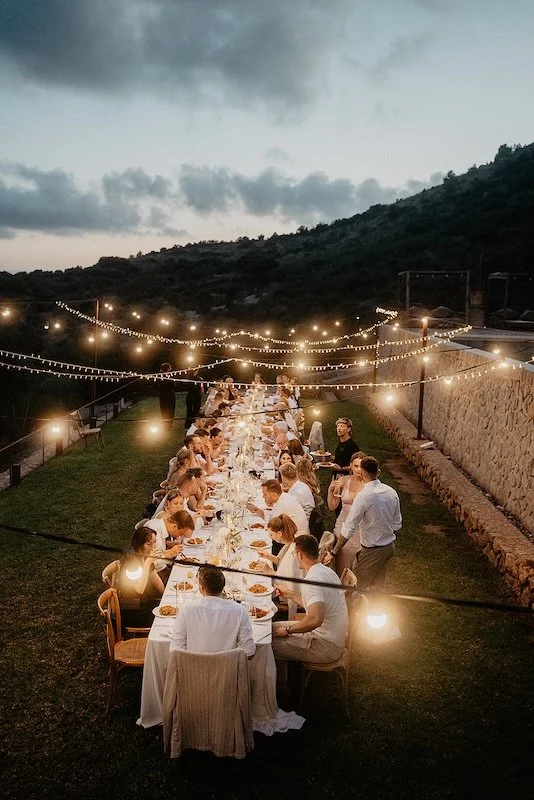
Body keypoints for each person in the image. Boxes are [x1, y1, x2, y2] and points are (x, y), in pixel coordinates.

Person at [271, 534, 348, 668]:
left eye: (294, 555)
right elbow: (316, 607)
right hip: (333, 637)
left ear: (300, 555)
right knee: (269, 628)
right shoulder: (327, 571)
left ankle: (282, 684)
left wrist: (288, 630)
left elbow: (315, 619)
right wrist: (289, 594)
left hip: (325, 646)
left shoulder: (311, 581)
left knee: (265, 643)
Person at [329, 456, 401, 590]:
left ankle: (357, 610)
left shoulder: (364, 496)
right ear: (378, 472)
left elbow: (349, 528)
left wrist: (334, 552)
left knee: (356, 588)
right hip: (389, 547)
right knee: (376, 587)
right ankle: (374, 608)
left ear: (362, 473)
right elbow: (397, 524)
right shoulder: (391, 492)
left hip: (373, 550)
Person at [170, 566, 255, 657]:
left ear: (201, 588)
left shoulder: (186, 609)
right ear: (223, 587)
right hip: (227, 670)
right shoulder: (240, 611)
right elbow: (249, 652)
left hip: (193, 669)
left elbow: (175, 650)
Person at [114, 527, 165, 629]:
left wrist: (167, 596)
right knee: (164, 621)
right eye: (149, 544)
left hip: (144, 602)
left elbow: (157, 583)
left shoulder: (144, 556)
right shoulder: (131, 562)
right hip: (132, 608)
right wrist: (148, 562)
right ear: (139, 545)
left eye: (154, 543)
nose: (153, 547)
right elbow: (139, 590)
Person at [327, 452, 367, 576]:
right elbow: (332, 506)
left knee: (354, 560)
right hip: (342, 522)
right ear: (350, 466)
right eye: (356, 466)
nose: (359, 469)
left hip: (359, 527)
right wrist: (330, 490)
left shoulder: (368, 485)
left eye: (361, 466)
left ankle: (351, 586)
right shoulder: (343, 480)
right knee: (341, 555)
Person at [157, 363, 176, 431]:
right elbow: (173, 385)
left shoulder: (159, 376)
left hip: (163, 396)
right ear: (167, 368)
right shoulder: (170, 376)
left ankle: (166, 425)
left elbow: (158, 386)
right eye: (170, 367)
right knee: (170, 410)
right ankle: (168, 425)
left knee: (164, 410)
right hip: (169, 395)